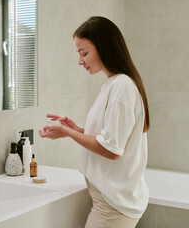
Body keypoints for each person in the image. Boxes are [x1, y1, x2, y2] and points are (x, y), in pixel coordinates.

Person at [39, 16, 150, 228]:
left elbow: (111, 150)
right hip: (112, 203)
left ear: (103, 47)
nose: (80, 61)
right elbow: (111, 137)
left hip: (112, 209)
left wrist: (68, 133)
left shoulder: (122, 87)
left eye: (84, 53)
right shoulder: (114, 84)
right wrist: (75, 129)